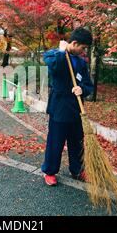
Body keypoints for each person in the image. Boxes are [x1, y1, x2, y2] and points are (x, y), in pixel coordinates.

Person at [41, 27, 94, 186]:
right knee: (55, 142)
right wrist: (62, 51)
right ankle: (50, 171)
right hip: (59, 108)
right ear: (75, 43)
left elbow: (88, 85)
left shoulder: (81, 62)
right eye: (83, 48)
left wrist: (82, 89)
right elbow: (55, 66)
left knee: (77, 142)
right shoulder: (54, 55)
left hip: (77, 110)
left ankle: (77, 169)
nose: (84, 51)